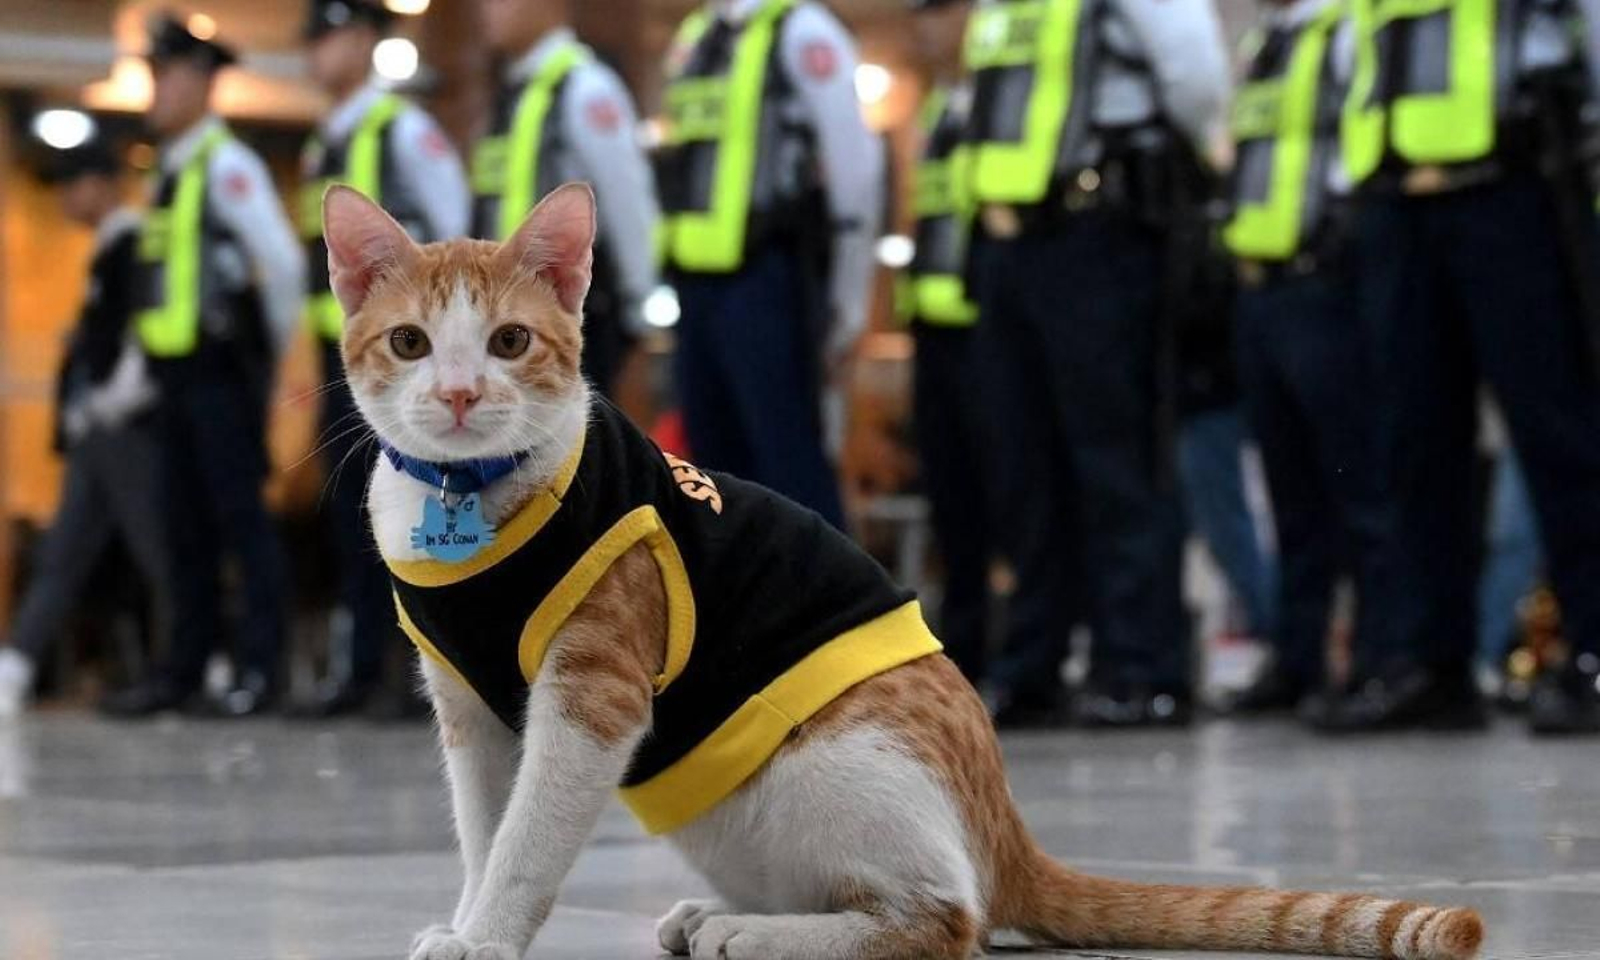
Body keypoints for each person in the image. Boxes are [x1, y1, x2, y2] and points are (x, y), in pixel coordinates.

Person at [961, 0, 1230, 727]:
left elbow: (1198, 79)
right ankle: (1034, 665)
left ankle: (1143, 665)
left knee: (1118, 459)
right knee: (1026, 468)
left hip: (1098, 231)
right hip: (1009, 243)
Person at [1337, 0, 1600, 733]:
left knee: (1559, 432)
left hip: (1515, 185)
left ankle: (1592, 651)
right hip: (1397, 202)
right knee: (1414, 443)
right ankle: (1433, 662)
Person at [101, 15, 304, 718]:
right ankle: (184, 670)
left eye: (163, 74)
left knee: (240, 523)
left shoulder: (227, 165)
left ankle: (260, 671)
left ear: (199, 79)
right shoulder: (169, 172)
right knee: (181, 527)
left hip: (221, 374)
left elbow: (282, 266)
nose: (154, 90)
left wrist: (264, 365)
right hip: (174, 378)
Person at [1219, 0, 1404, 720]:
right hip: (1261, 287)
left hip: (1326, 279)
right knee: (1292, 495)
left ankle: (1381, 659)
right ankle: (1297, 660)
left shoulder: (1348, 26)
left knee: (1361, 491)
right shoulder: (1271, 40)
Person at [296, 0, 469, 717]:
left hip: (413, 358)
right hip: (347, 356)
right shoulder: (324, 145)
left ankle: (419, 675)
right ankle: (363, 668)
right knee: (353, 514)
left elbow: (455, 233)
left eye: (329, 35)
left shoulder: (405, 130)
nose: (315, 51)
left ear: (367, 38)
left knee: (422, 508)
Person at [658, 0, 885, 529]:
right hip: (697, 287)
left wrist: (849, 294)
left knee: (788, 462)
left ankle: (826, 583)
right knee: (710, 473)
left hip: (767, 277)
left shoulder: (802, 30)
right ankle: (730, 583)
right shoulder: (698, 38)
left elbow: (855, 169)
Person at [0, 143, 169, 719]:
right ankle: (16, 666)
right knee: (66, 551)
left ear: (102, 183)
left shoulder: (134, 240)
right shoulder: (107, 247)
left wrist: (114, 399)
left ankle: (206, 660)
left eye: (74, 184)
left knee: (158, 547)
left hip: (126, 428)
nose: (66, 199)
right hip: (99, 429)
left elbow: (145, 330)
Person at [473, 0, 659, 398]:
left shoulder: (585, 88)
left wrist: (640, 301)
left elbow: (627, 199)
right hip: (503, 315)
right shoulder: (512, 94)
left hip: (570, 313)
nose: (487, 9)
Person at [897, 0, 994, 689]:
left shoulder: (1000, 102)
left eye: (941, 11)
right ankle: (967, 643)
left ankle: (1017, 644)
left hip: (987, 330)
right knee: (951, 500)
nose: (927, 28)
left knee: (1005, 496)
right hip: (935, 329)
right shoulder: (938, 111)